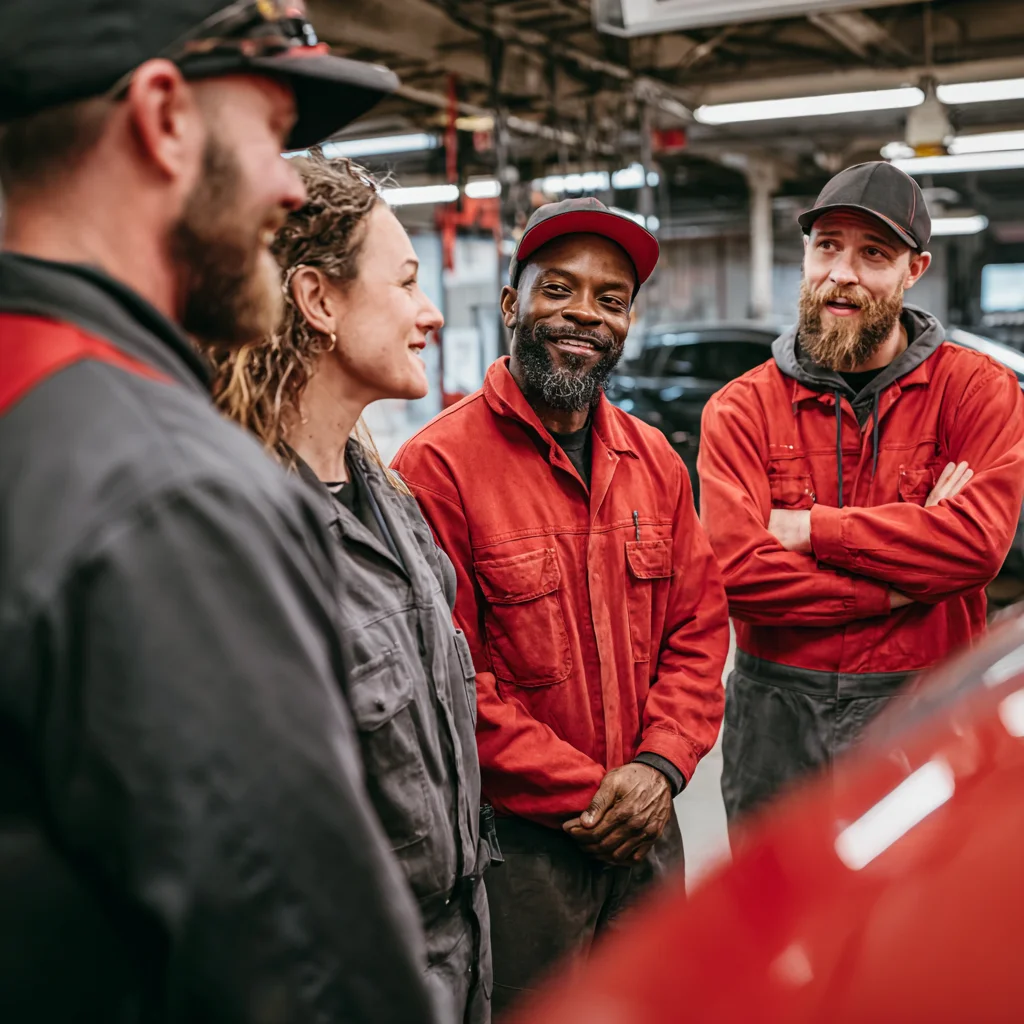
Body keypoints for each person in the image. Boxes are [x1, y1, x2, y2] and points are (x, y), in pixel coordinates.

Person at [0, 2, 441, 1021]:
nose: (289, 188)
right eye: (272, 133)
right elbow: (312, 976)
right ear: (163, 117)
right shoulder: (170, 497)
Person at [393, 196, 731, 1014]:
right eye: (559, 289)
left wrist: (659, 767)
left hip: (648, 828)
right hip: (522, 854)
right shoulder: (437, 468)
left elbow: (697, 629)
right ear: (513, 304)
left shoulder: (652, 458)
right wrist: (590, 794)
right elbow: (452, 683)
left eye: (610, 299)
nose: (585, 314)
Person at [210, 152, 492, 1024]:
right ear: (318, 301)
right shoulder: (244, 534)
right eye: (406, 282)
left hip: (458, 956)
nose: (430, 310)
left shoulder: (394, 503)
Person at [697, 161, 1024, 826]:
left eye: (873, 253)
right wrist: (900, 583)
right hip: (776, 715)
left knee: (919, 918)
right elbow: (737, 572)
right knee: (777, 918)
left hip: (924, 703)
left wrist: (813, 530)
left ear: (915, 270)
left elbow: (975, 549)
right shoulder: (740, 410)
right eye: (827, 247)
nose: (842, 273)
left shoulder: (977, 393)